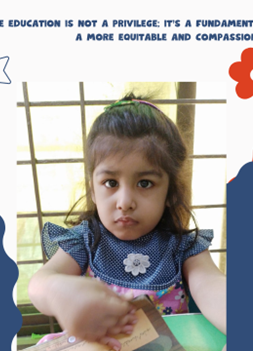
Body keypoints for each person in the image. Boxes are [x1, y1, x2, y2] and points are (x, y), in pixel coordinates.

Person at [28, 94, 226, 351]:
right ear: (92, 189)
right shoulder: (85, 241)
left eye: (144, 183)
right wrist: (60, 292)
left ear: (170, 192)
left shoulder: (184, 247)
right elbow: (41, 282)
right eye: (110, 183)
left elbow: (212, 286)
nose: (124, 201)